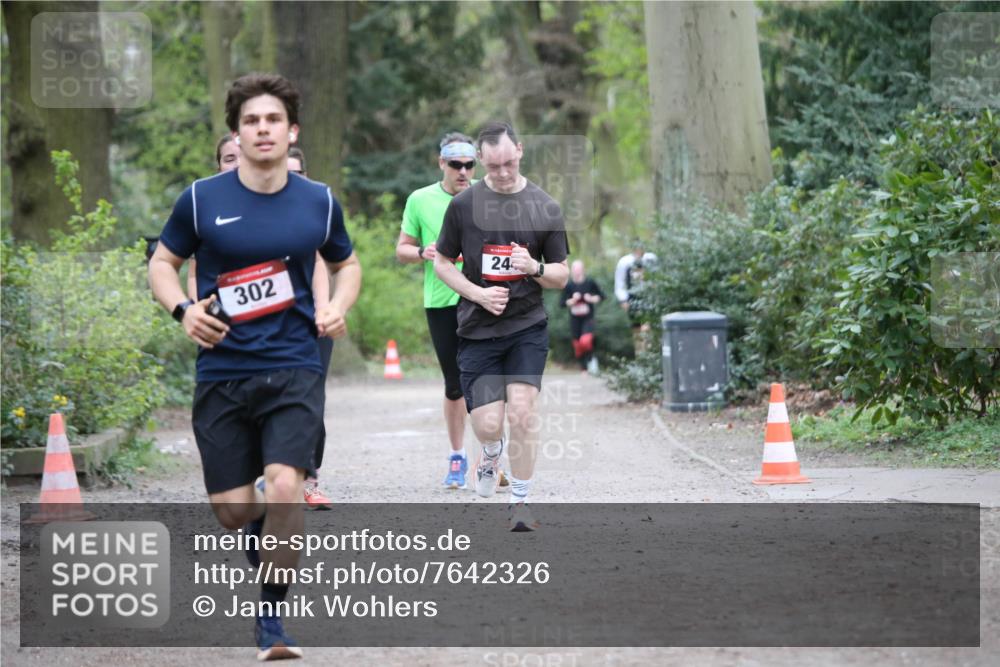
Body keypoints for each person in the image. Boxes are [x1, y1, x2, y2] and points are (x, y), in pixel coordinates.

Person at [148, 73, 361, 660]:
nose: (261, 130)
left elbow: (348, 264)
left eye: (272, 120)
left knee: (287, 485)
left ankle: (272, 620)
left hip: (293, 364)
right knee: (234, 509)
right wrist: (183, 310)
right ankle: (271, 536)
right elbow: (162, 264)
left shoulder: (317, 201)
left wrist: (336, 306)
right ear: (236, 134)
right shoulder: (201, 198)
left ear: (291, 133)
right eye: (250, 121)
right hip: (222, 370)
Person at [434, 121, 569, 531]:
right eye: (493, 167)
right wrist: (477, 293)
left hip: (526, 326)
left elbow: (561, 275)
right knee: (488, 423)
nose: (504, 173)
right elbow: (442, 263)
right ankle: (490, 452)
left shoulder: (545, 207)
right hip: (477, 329)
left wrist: (534, 267)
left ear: (521, 151)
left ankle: (521, 501)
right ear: (481, 163)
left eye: (509, 163)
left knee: (523, 414)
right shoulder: (463, 206)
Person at [188, 137, 334, 511]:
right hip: (229, 343)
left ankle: (301, 478)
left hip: (296, 334)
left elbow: (320, 262)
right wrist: (193, 310)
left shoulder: (303, 203)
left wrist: (323, 308)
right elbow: (191, 268)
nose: (236, 162)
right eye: (228, 158)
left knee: (303, 409)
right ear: (218, 163)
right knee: (232, 505)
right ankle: (257, 493)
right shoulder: (204, 204)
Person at [395, 132, 506, 491]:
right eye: (455, 165)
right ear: (441, 163)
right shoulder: (420, 199)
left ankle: (488, 460)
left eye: (469, 165)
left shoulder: (488, 196)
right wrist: (421, 253)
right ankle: (457, 457)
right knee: (456, 385)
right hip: (441, 301)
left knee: (488, 381)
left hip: (482, 299)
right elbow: (401, 249)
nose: (463, 171)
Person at [614, 241, 658, 352]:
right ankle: (640, 354)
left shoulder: (651, 259)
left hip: (649, 298)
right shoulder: (625, 262)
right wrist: (623, 300)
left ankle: (649, 351)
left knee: (648, 327)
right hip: (633, 300)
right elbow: (620, 283)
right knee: (637, 329)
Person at [562, 259, 604, 374]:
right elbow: (562, 303)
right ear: (571, 271)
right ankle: (583, 368)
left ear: (583, 270)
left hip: (588, 318)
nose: (577, 272)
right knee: (577, 345)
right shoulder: (569, 285)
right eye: (575, 269)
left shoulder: (590, 282)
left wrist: (590, 298)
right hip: (575, 319)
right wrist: (572, 300)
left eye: (579, 269)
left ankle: (591, 361)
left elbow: (601, 296)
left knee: (585, 341)